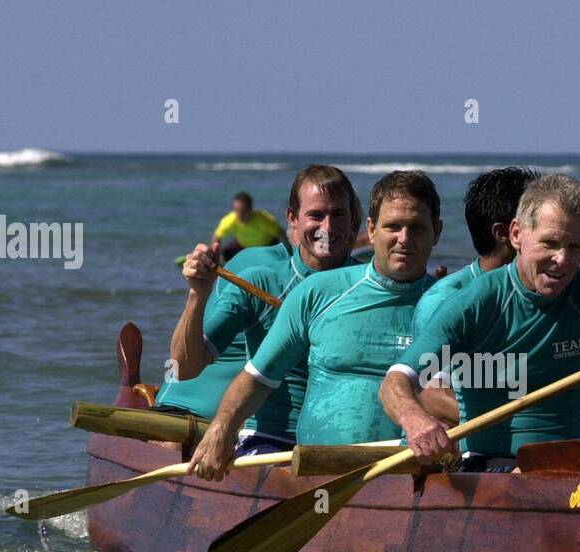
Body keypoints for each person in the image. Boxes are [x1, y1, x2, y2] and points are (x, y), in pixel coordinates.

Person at [379, 174, 580, 470]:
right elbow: (395, 382)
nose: (562, 261)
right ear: (516, 234)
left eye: (574, 247)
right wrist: (415, 420)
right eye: (550, 244)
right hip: (494, 465)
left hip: (577, 463)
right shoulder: (473, 303)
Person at [187, 170, 443, 479]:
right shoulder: (317, 292)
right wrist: (222, 427)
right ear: (372, 230)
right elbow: (256, 379)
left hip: (409, 471)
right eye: (393, 227)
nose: (404, 239)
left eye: (417, 228)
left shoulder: (455, 304)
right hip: (316, 473)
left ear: (437, 232)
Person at [412, 166, 580, 435]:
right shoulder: (449, 298)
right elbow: (426, 392)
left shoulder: (557, 289)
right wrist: (522, 424)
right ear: (510, 232)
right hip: (472, 446)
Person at [160, 166, 362, 451]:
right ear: (292, 218)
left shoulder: (372, 284)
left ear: (355, 220)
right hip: (272, 442)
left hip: (352, 445)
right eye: (316, 215)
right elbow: (184, 367)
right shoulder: (261, 281)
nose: (327, 227)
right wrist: (198, 294)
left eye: (338, 215)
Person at [212, 192, 285, 261]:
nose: (240, 214)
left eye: (243, 211)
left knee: (279, 257)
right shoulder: (230, 221)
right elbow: (217, 236)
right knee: (225, 255)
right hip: (244, 246)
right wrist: (214, 254)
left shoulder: (264, 220)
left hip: (267, 246)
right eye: (236, 210)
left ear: (251, 209)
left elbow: (282, 234)